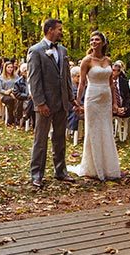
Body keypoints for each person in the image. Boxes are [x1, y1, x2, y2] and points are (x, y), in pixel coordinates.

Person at [27, 18, 80, 188]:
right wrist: (40, 103)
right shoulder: (36, 51)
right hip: (45, 104)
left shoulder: (63, 51)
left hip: (62, 103)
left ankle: (61, 171)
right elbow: (34, 79)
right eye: (59, 29)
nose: (61, 32)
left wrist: (71, 98)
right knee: (40, 140)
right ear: (49, 30)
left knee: (59, 138)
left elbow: (65, 77)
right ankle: (37, 174)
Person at [68, 31, 121, 181]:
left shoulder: (108, 60)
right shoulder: (87, 60)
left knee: (106, 129)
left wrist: (115, 103)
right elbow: (82, 83)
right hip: (93, 97)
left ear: (103, 43)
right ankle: (94, 167)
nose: (94, 42)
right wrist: (77, 101)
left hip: (106, 97)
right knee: (94, 130)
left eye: (97, 39)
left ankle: (109, 166)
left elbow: (111, 83)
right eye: (91, 40)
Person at [0, 61, 21, 125]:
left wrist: (12, 90)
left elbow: (19, 85)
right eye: (8, 67)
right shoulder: (1, 78)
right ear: (5, 68)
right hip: (4, 95)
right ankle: (10, 118)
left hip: (15, 93)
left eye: (11, 67)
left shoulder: (16, 76)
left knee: (20, 100)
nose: (10, 69)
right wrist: (7, 92)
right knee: (10, 100)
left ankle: (19, 118)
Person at [67, 66, 84, 133]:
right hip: (72, 108)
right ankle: (74, 131)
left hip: (82, 107)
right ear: (73, 77)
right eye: (78, 76)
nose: (80, 78)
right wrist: (80, 107)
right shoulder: (69, 87)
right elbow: (71, 100)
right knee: (76, 112)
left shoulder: (83, 86)